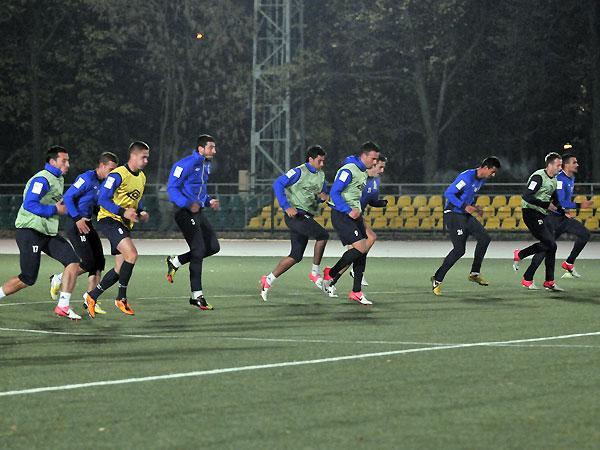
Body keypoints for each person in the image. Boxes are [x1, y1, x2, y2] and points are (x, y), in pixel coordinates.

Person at [0, 146, 82, 320]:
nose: (68, 164)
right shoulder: (42, 179)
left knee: (73, 261)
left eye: (68, 160)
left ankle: (63, 306)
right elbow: (30, 204)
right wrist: (55, 209)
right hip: (30, 231)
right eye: (64, 161)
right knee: (28, 278)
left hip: (46, 233)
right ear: (52, 162)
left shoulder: (58, 178)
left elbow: (57, 203)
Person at [83, 141, 150, 317]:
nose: (146, 161)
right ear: (133, 156)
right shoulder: (117, 174)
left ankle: (92, 296)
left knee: (120, 269)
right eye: (143, 157)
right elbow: (102, 199)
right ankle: (121, 298)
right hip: (109, 219)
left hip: (123, 223)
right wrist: (122, 212)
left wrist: (141, 212)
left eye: (147, 157)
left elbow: (135, 200)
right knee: (132, 255)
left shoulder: (142, 177)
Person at [49, 152, 119, 315]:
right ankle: (58, 278)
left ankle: (91, 299)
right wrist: (77, 218)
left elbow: (94, 204)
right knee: (88, 262)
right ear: (102, 165)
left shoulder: (105, 183)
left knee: (99, 262)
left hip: (87, 223)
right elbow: (68, 197)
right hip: (76, 224)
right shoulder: (86, 178)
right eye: (111, 169)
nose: (113, 174)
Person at [259, 145, 329, 301]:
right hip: (296, 216)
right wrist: (286, 206)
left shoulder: (321, 175)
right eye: (319, 161)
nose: (322, 164)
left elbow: (318, 195)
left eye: (324, 161)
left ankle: (268, 279)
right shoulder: (298, 171)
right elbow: (278, 183)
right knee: (323, 235)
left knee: (296, 256)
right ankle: (315, 273)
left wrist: (322, 198)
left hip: (306, 216)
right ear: (310, 159)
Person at [164, 134, 220, 310]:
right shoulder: (185, 164)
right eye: (211, 147)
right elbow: (172, 189)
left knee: (213, 247)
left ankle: (176, 261)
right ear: (201, 149)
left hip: (197, 211)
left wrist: (209, 200)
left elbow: (200, 191)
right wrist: (187, 203)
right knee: (198, 250)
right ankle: (197, 295)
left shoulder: (206, 165)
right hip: (183, 212)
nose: (214, 151)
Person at [430, 157, 501, 296]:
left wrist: (473, 207)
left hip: (464, 214)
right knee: (459, 250)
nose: (493, 175)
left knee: (484, 238)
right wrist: (464, 206)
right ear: (485, 167)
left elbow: (468, 195)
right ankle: (437, 279)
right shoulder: (466, 177)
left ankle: (474, 273)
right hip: (453, 214)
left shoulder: (481, 180)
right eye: (492, 171)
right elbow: (448, 193)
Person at [321, 141, 381, 305]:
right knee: (360, 248)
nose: (375, 162)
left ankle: (356, 292)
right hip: (342, 214)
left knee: (363, 250)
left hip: (354, 216)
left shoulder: (362, 171)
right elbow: (335, 192)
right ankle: (331, 273)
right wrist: (348, 210)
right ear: (364, 156)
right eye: (373, 158)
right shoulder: (348, 170)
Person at [530, 149, 593, 279]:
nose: (577, 164)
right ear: (566, 165)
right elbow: (561, 201)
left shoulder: (571, 178)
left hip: (562, 218)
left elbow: (564, 201)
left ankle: (569, 263)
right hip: (552, 219)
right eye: (574, 162)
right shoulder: (559, 180)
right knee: (546, 247)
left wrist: (566, 211)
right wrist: (579, 205)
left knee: (585, 234)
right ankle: (528, 277)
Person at [513, 152, 564, 291]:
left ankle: (546, 281)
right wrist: (546, 205)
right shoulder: (538, 177)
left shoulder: (554, 180)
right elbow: (527, 196)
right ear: (550, 165)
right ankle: (521, 255)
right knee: (550, 244)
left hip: (541, 214)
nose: (560, 168)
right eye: (558, 165)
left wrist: (563, 211)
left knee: (550, 246)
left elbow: (555, 200)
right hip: (530, 213)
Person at [349, 154, 388, 286]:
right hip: (348, 215)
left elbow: (371, 200)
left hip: (358, 216)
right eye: (380, 167)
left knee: (359, 246)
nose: (382, 170)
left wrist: (380, 203)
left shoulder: (376, 180)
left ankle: (353, 273)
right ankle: (333, 276)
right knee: (366, 241)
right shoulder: (359, 176)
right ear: (373, 164)